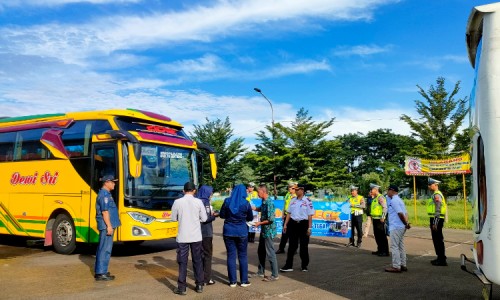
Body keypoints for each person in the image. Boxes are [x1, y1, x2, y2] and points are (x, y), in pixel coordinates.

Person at [171, 182, 208, 295]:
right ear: (194, 190)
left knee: (182, 262)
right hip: (196, 236)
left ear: (183, 191)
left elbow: (173, 218)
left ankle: (182, 288)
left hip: (182, 236)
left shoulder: (177, 202)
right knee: (197, 260)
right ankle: (199, 285)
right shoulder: (198, 202)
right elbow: (204, 218)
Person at [220, 184, 254, 287]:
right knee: (242, 255)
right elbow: (250, 218)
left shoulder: (227, 201)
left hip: (228, 231)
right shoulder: (246, 203)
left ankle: (232, 281)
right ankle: (244, 281)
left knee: (231, 255)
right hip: (241, 231)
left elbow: (222, 215)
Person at [280, 184, 315, 272]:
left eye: (297, 189)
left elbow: (310, 215)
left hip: (303, 224)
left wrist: (309, 228)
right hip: (293, 224)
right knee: (292, 245)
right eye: (295, 189)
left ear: (302, 190)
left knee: (303, 246)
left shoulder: (307, 201)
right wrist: (285, 225)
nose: (295, 191)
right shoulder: (293, 200)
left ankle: (304, 265)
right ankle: (288, 265)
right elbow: (288, 213)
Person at [94, 175, 121, 281]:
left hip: (107, 225)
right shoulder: (104, 195)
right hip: (106, 226)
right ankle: (101, 273)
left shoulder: (106, 194)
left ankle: (102, 270)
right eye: (112, 182)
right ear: (106, 182)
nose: (114, 184)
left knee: (106, 248)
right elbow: (105, 212)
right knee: (105, 249)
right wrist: (109, 226)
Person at [253, 184, 279, 281]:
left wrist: (259, 223)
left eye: (259, 192)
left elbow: (271, 219)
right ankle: (260, 272)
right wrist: (253, 208)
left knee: (270, 252)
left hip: (268, 231)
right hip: (264, 230)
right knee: (261, 251)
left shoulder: (269, 202)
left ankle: (275, 275)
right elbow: (260, 209)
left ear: (263, 192)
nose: (257, 194)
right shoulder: (263, 201)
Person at [384, 185, 411, 273]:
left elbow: (400, 213)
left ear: (392, 190)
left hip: (396, 226)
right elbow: (406, 213)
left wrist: (405, 223)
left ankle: (396, 266)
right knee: (400, 246)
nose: (387, 192)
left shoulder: (394, 200)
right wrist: (406, 223)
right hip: (401, 226)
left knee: (394, 246)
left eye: (388, 190)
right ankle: (403, 264)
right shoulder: (399, 200)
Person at [197, 185, 218, 286]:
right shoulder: (204, 202)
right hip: (206, 232)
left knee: (199, 255)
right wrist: (213, 216)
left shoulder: (196, 201)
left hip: (197, 232)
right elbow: (205, 219)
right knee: (208, 255)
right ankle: (207, 278)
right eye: (210, 192)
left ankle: (199, 277)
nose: (211, 194)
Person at [427, 178, 448, 266]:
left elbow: (438, 209)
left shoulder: (437, 195)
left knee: (438, 240)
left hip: (437, 219)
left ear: (435, 185)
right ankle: (440, 257)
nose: (429, 186)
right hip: (436, 219)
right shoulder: (435, 194)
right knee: (437, 239)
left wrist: (435, 222)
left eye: (430, 185)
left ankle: (441, 259)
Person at [276, 182, 297, 254]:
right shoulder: (287, 195)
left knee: (293, 234)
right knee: (284, 233)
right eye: (289, 187)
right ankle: (281, 248)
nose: (290, 189)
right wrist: (282, 214)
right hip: (286, 215)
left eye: (292, 188)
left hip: (293, 217)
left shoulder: (296, 196)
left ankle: (294, 249)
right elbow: (285, 204)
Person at [370, 183, 389, 257]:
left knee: (382, 236)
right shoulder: (375, 198)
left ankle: (385, 251)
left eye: (372, 189)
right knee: (377, 235)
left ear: (376, 189)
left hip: (380, 220)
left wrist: (383, 217)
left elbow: (385, 207)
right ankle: (380, 250)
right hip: (375, 219)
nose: (371, 191)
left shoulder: (380, 197)